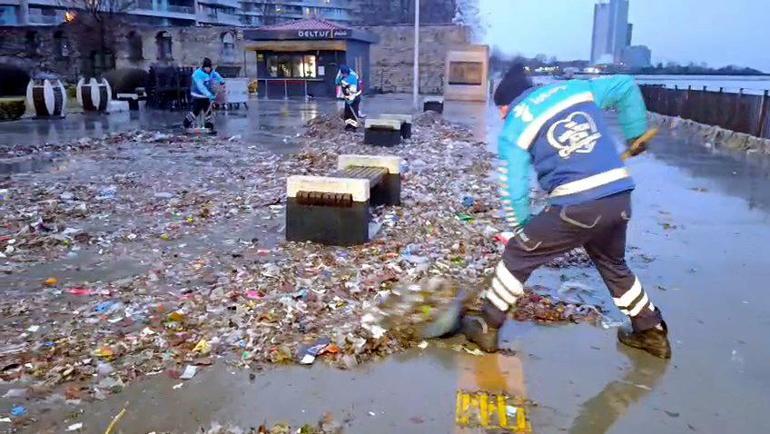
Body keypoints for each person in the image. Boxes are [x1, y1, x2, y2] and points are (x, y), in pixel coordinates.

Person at [461, 64, 671, 359]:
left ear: (510, 103)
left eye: (501, 108)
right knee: (613, 263)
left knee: (519, 254)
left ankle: (487, 324)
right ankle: (651, 331)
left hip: (577, 204)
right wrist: (635, 132)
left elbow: (514, 189)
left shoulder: (514, 127)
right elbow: (625, 85)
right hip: (618, 196)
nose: (501, 115)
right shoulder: (575, 89)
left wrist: (524, 228)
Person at [184, 57, 225, 132]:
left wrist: (221, 81)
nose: (208, 70)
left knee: (208, 111)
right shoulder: (198, 74)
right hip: (197, 95)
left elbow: (216, 75)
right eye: (207, 68)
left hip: (207, 96)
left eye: (209, 68)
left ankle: (209, 126)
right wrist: (210, 95)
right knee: (196, 111)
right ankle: (186, 123)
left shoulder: (211, 72)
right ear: (203, 67)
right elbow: (201, 87)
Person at [335, 65, 362, 131]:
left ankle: (353, 127)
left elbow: (352, 92)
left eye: (346, 74)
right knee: (347, 111)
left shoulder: (352, 77)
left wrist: (350, 100)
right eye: (344, 74)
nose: (345, 75)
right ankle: (348, 125)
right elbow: (337, 82)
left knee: (354, 111)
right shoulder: (341, 75)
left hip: (355, 96)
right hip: (347, 97)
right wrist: (339, 78)